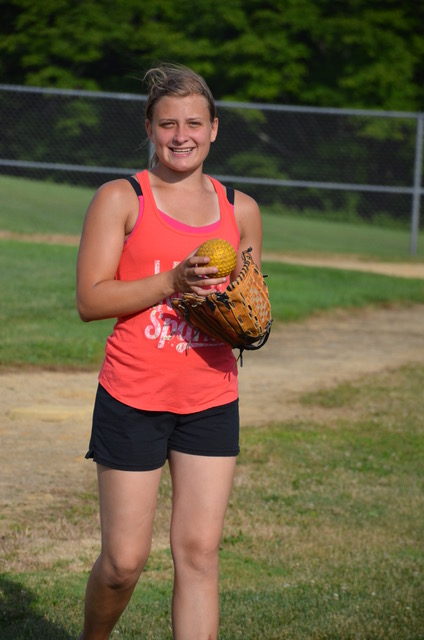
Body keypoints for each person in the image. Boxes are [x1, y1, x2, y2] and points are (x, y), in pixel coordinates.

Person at [76, 62, 263, 640]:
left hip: (210, 396)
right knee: (123, 563)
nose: (181, 135)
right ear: (150, 130)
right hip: (133, 395)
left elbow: (249, 296)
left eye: (193, 123)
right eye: (167, 124)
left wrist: (245, 313)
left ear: (214, 129)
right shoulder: (121, 197)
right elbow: (90, 298)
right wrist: (173, 282)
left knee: (200, 554)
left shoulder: (241, 208)